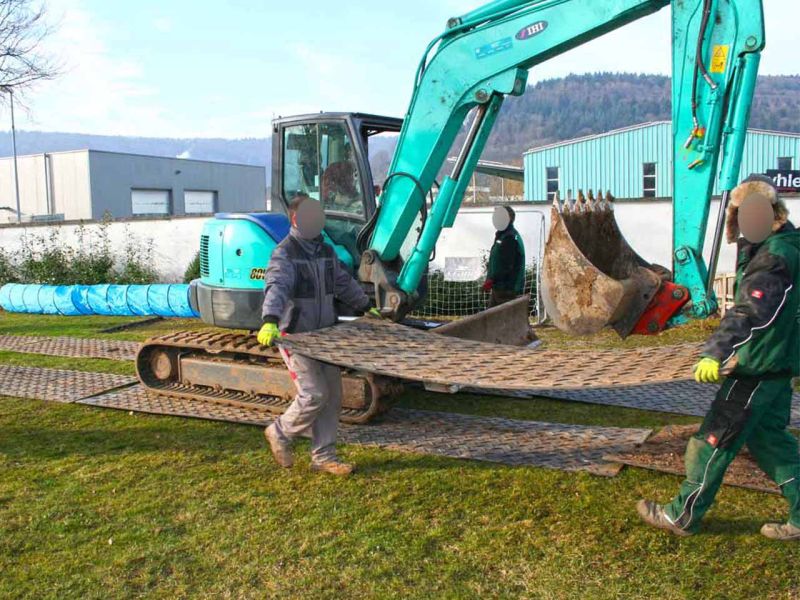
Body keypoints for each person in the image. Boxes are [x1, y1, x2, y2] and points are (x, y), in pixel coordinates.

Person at [638, 174, 800, 540]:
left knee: (712, 441)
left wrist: (715, 352)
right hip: (781, 363)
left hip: (757, 365)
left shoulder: (774, 258)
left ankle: (681, 516)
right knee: (772, 443)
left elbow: (752, 312)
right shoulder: (789, 245)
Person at [257, 194, 379, 476]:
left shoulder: (325, 251)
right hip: (296, 336)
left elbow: (342, 282)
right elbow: (277, 286)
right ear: (296, 219)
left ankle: (323, 457)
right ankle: (279, 432)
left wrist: (365, 306)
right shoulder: (285, 252)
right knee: (314, 394)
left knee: (333, 397)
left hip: (325, 336)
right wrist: (270, 320)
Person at [483, 206, 526, 307]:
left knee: (499, 318)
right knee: (492, 318)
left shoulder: (509, 238)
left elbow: (507, 265)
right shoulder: (503, 235)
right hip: (500, 287)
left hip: (506, 289)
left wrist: (492, 279)